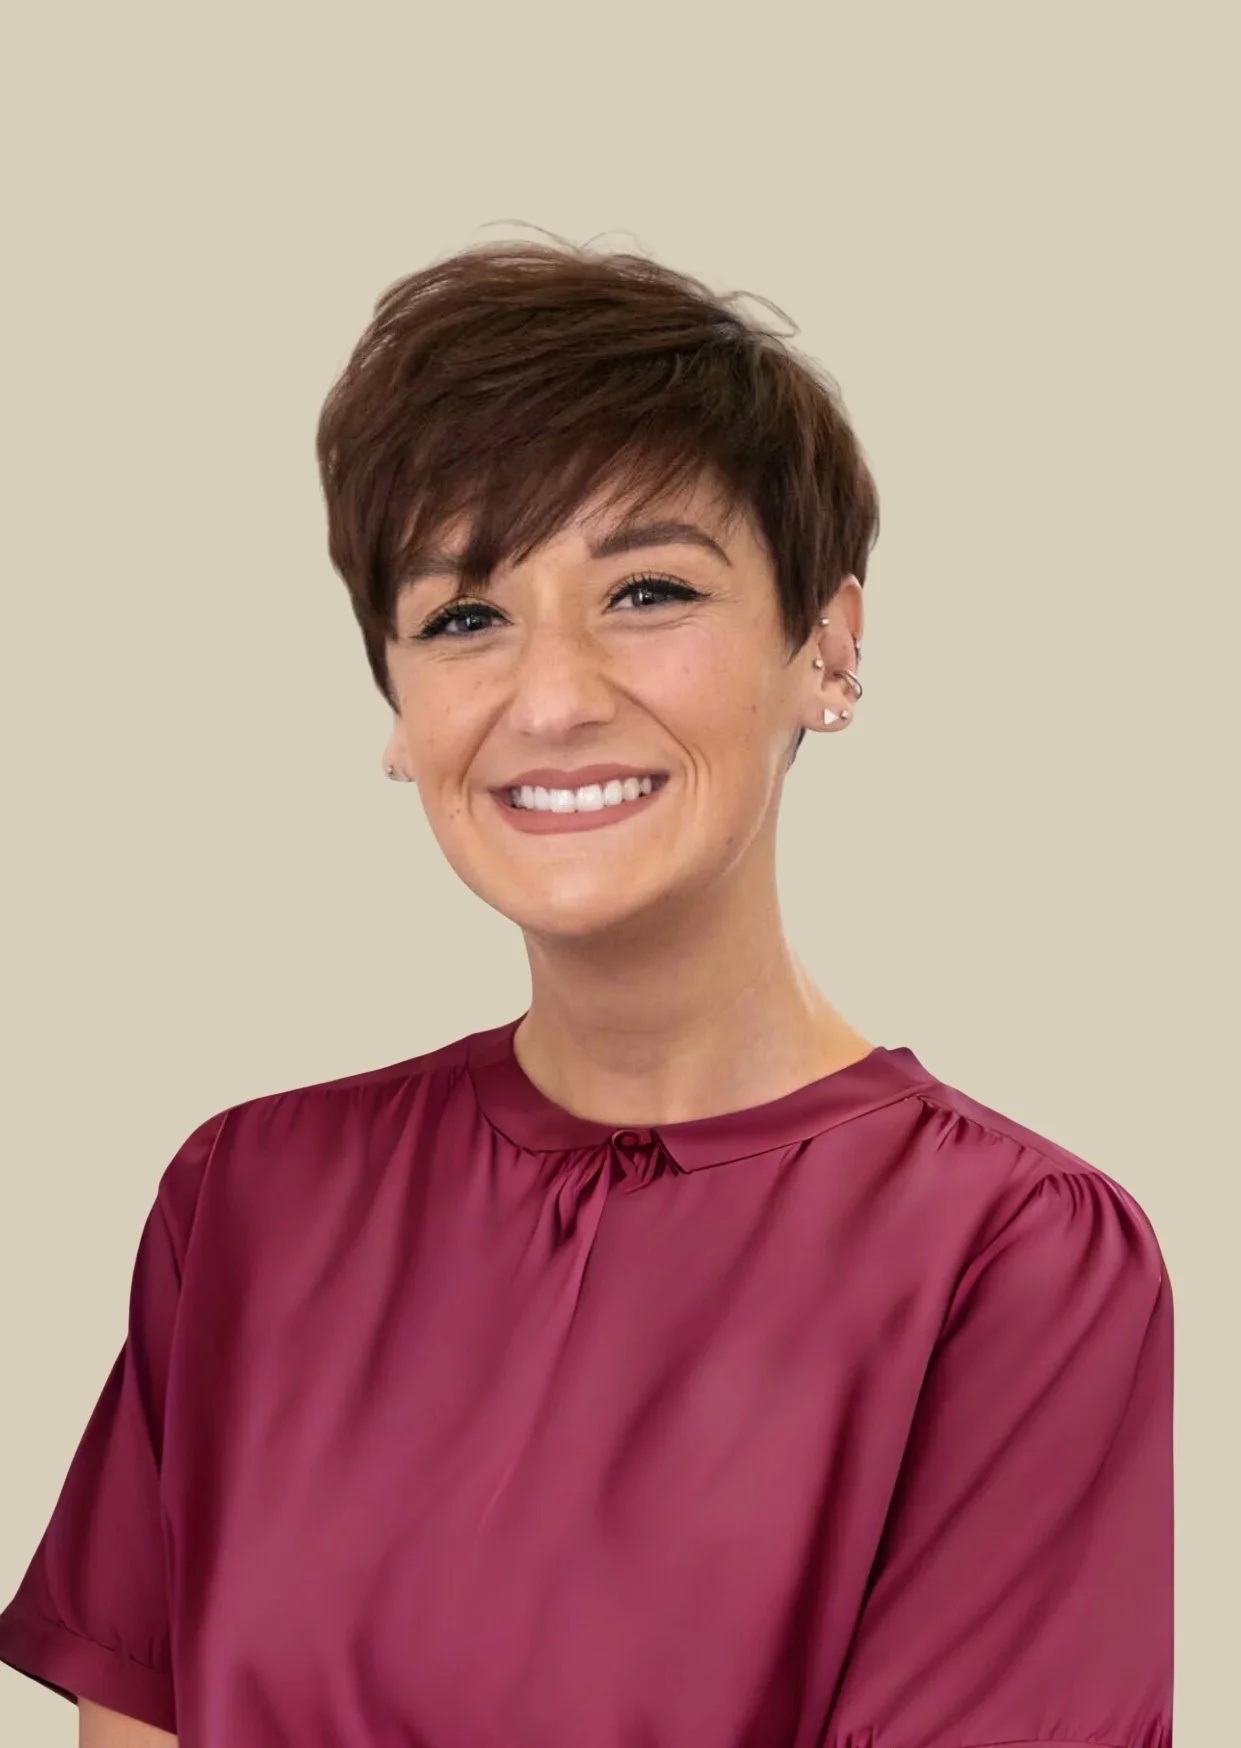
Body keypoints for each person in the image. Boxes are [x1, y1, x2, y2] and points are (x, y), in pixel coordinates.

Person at [0, 238, 1173, 1748]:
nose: (551, 699)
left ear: (829, 640)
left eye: (648, 590)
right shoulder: (248, 1202)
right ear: (398, 705)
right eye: (465, 617)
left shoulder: (1016, 1265)